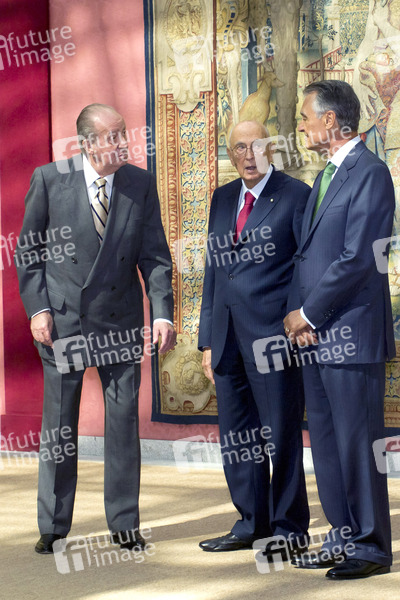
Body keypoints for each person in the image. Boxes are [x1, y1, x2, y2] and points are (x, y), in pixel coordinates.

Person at [15, 103, 176, 554]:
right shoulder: (50, 179)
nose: (124, 142)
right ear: (87, 144)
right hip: (64, 321)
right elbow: (28, 253)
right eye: (113, 136)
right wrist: (38, 309)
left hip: (120, 322)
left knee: (123, 425)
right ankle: (53, 524)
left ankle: (125, 524)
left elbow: (155, 257)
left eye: (124, 133)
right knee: (60, 426)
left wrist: (161, 313)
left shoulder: (139, 183)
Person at [284, 80, 395, 579]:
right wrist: (301, 319)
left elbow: (358, 259)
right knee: (327, 445)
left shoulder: (370, 173)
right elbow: (306, 256)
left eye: (305, 116)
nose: (300, 125)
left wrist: (308, 314)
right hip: (316, 338)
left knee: (357, 445)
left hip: (351, 337)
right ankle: (342, 536)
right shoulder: (325, 176)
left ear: (330, 120)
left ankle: (370, 548)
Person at [197, 120, 310, 554]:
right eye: (240, 147)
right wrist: (208, 339)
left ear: (271, 148)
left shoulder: (295, 195)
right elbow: (214, 271)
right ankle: (251, 523)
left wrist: (294, 321)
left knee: (281, 436)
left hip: (274, 339)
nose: (249, 155)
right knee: (238, 438)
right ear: (230, 154)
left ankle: (289, 529)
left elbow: (304, 266)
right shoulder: (223, 197)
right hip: (226, 339)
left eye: (257, 145)